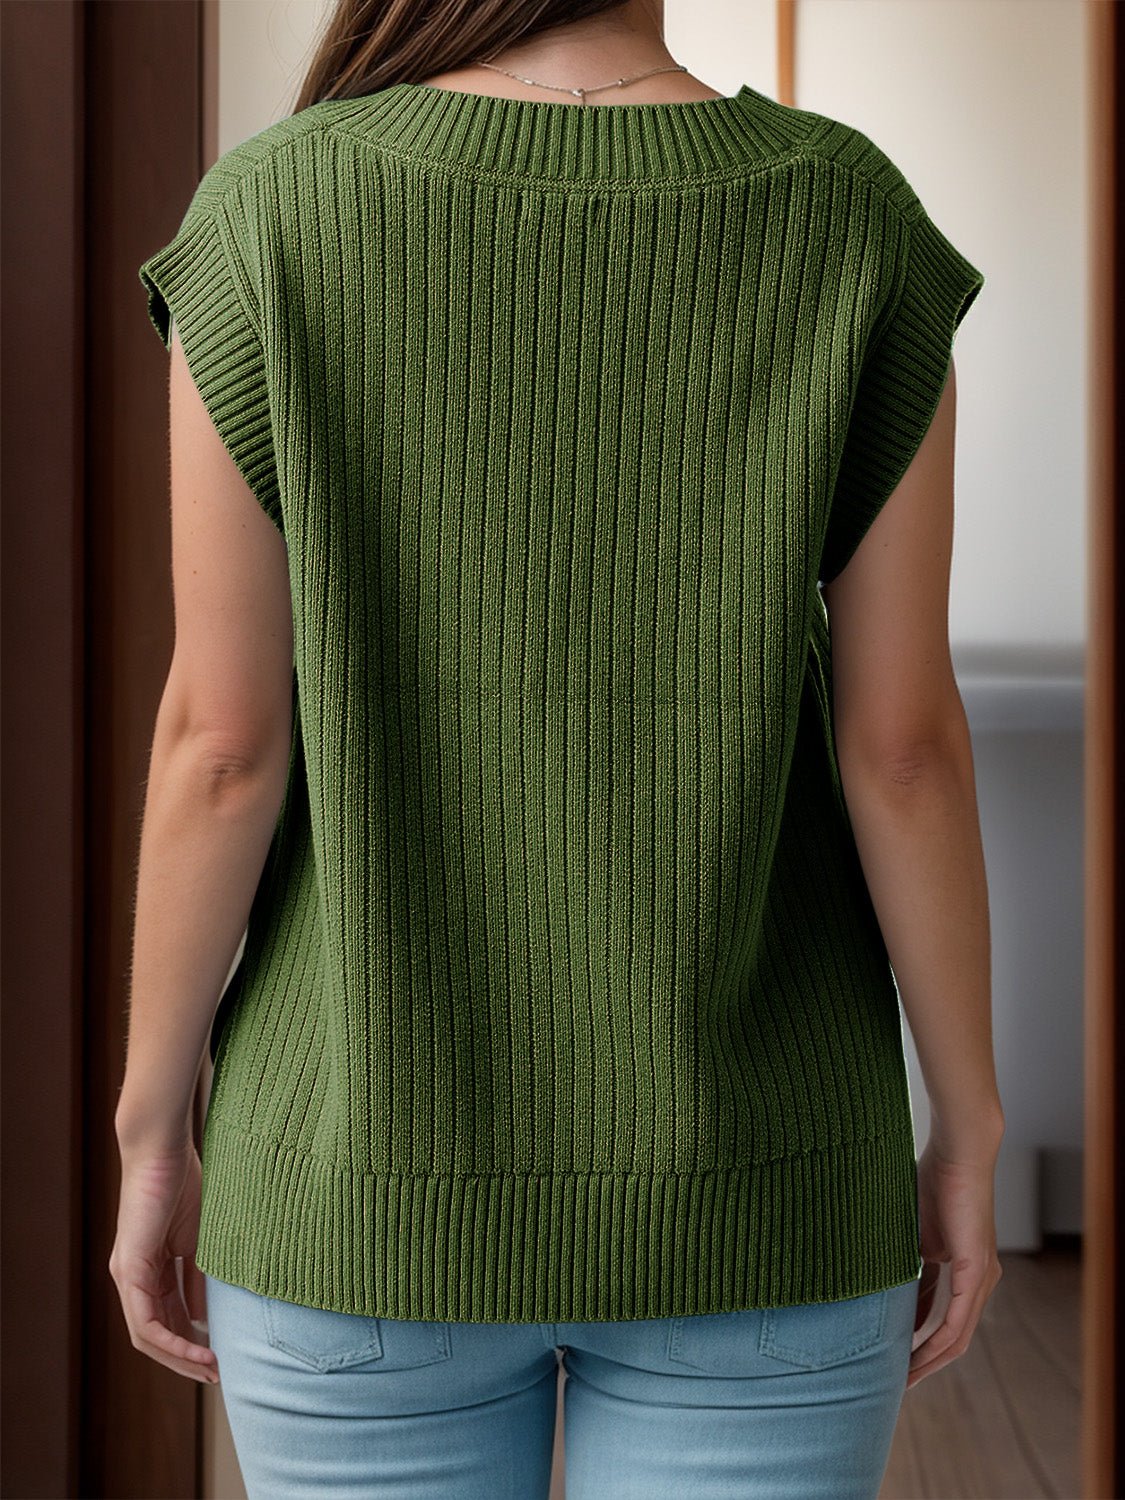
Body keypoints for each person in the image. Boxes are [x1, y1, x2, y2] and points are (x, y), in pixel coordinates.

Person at [110, 0, 1005, 1495]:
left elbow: (222, 747)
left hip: (354, 1197)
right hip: (761, 1196)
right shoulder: (843, 212)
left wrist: (152, 1132)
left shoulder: (275, 207)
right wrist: (966, 1125)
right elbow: (902, 748)